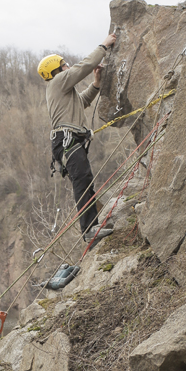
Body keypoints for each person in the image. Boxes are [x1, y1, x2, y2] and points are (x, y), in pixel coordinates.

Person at [38, 33, 117, 242]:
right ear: (56, 70)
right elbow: (82, 67)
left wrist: (96, 84)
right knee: (82, 181)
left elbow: (82, 102)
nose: (67, 67)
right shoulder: (58, 82)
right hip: (67, 141)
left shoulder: (63, 92)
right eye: (64, 65)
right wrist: (103, 47)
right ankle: (89, 230)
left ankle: (93, 226)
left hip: (68, 141)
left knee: (85, 180)